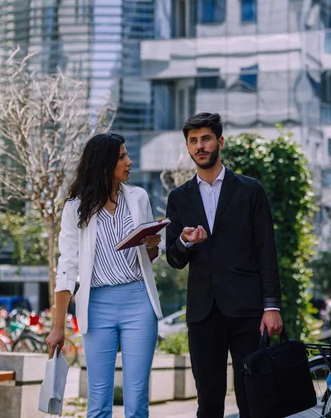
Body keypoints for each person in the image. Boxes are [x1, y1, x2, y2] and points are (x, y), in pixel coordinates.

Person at [166, 112, 283, 418]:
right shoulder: (179, 197)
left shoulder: (250, 190)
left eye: (205, 139)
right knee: (209, 401)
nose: (199, 146)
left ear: (219, 142)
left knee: (252, 399)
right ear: (188, 147)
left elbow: (266, 250)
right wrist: (187, 241)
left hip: (248, 311)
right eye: (193, 141)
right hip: (203, 314)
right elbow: (174, 259)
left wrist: (272, 306)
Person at [47, 133, 162, 418]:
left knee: (137, 401)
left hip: (139, 301)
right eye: (122, 157)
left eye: (126, 155)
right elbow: (67, 267)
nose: (129, 161)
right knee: (98, 402)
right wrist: (58, 326)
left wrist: (152, 245)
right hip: (97, 305)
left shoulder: (139, 198)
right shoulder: (76, 208)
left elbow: (150, 259)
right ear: (103, 164)